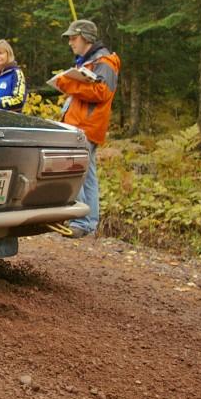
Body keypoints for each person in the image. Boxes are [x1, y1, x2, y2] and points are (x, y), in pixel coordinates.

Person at [51, 19, 121, 238]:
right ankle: (86, 222)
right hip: (80, 125)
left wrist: (67, 83)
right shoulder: (90, 62)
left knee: (78, 172)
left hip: (86, 127)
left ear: (86, 38)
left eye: (74, 38)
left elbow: (102, 92)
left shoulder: (105, 62)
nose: (71, 42)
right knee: (86, 175)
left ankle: (82, 221)